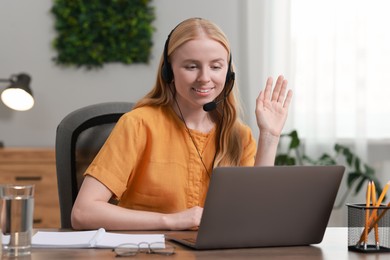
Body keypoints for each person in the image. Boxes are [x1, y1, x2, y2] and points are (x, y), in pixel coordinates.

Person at [71, 17, 293, 231]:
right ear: (169, 71)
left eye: (216, 67)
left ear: (229, 73)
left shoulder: (239, 136)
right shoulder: (138, 125)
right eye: (191, 66)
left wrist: (270, 136)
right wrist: (172, 221)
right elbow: (83, 213)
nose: (205, 78)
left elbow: (256, 215)